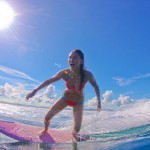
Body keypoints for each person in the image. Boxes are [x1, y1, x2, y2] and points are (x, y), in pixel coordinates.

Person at [25, 49, 101, 141]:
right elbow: (49, 81)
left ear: (81, 61)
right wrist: (35, 90)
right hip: (66, 99)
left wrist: (99, 101)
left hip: (78, 102)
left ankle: (75, 135)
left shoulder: (87, 75)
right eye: (70, 57)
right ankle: (45, 130)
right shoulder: (64, 73)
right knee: (47, 117)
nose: (71, 60)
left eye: (75, 58)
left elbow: (96, 86)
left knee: (77, 129)